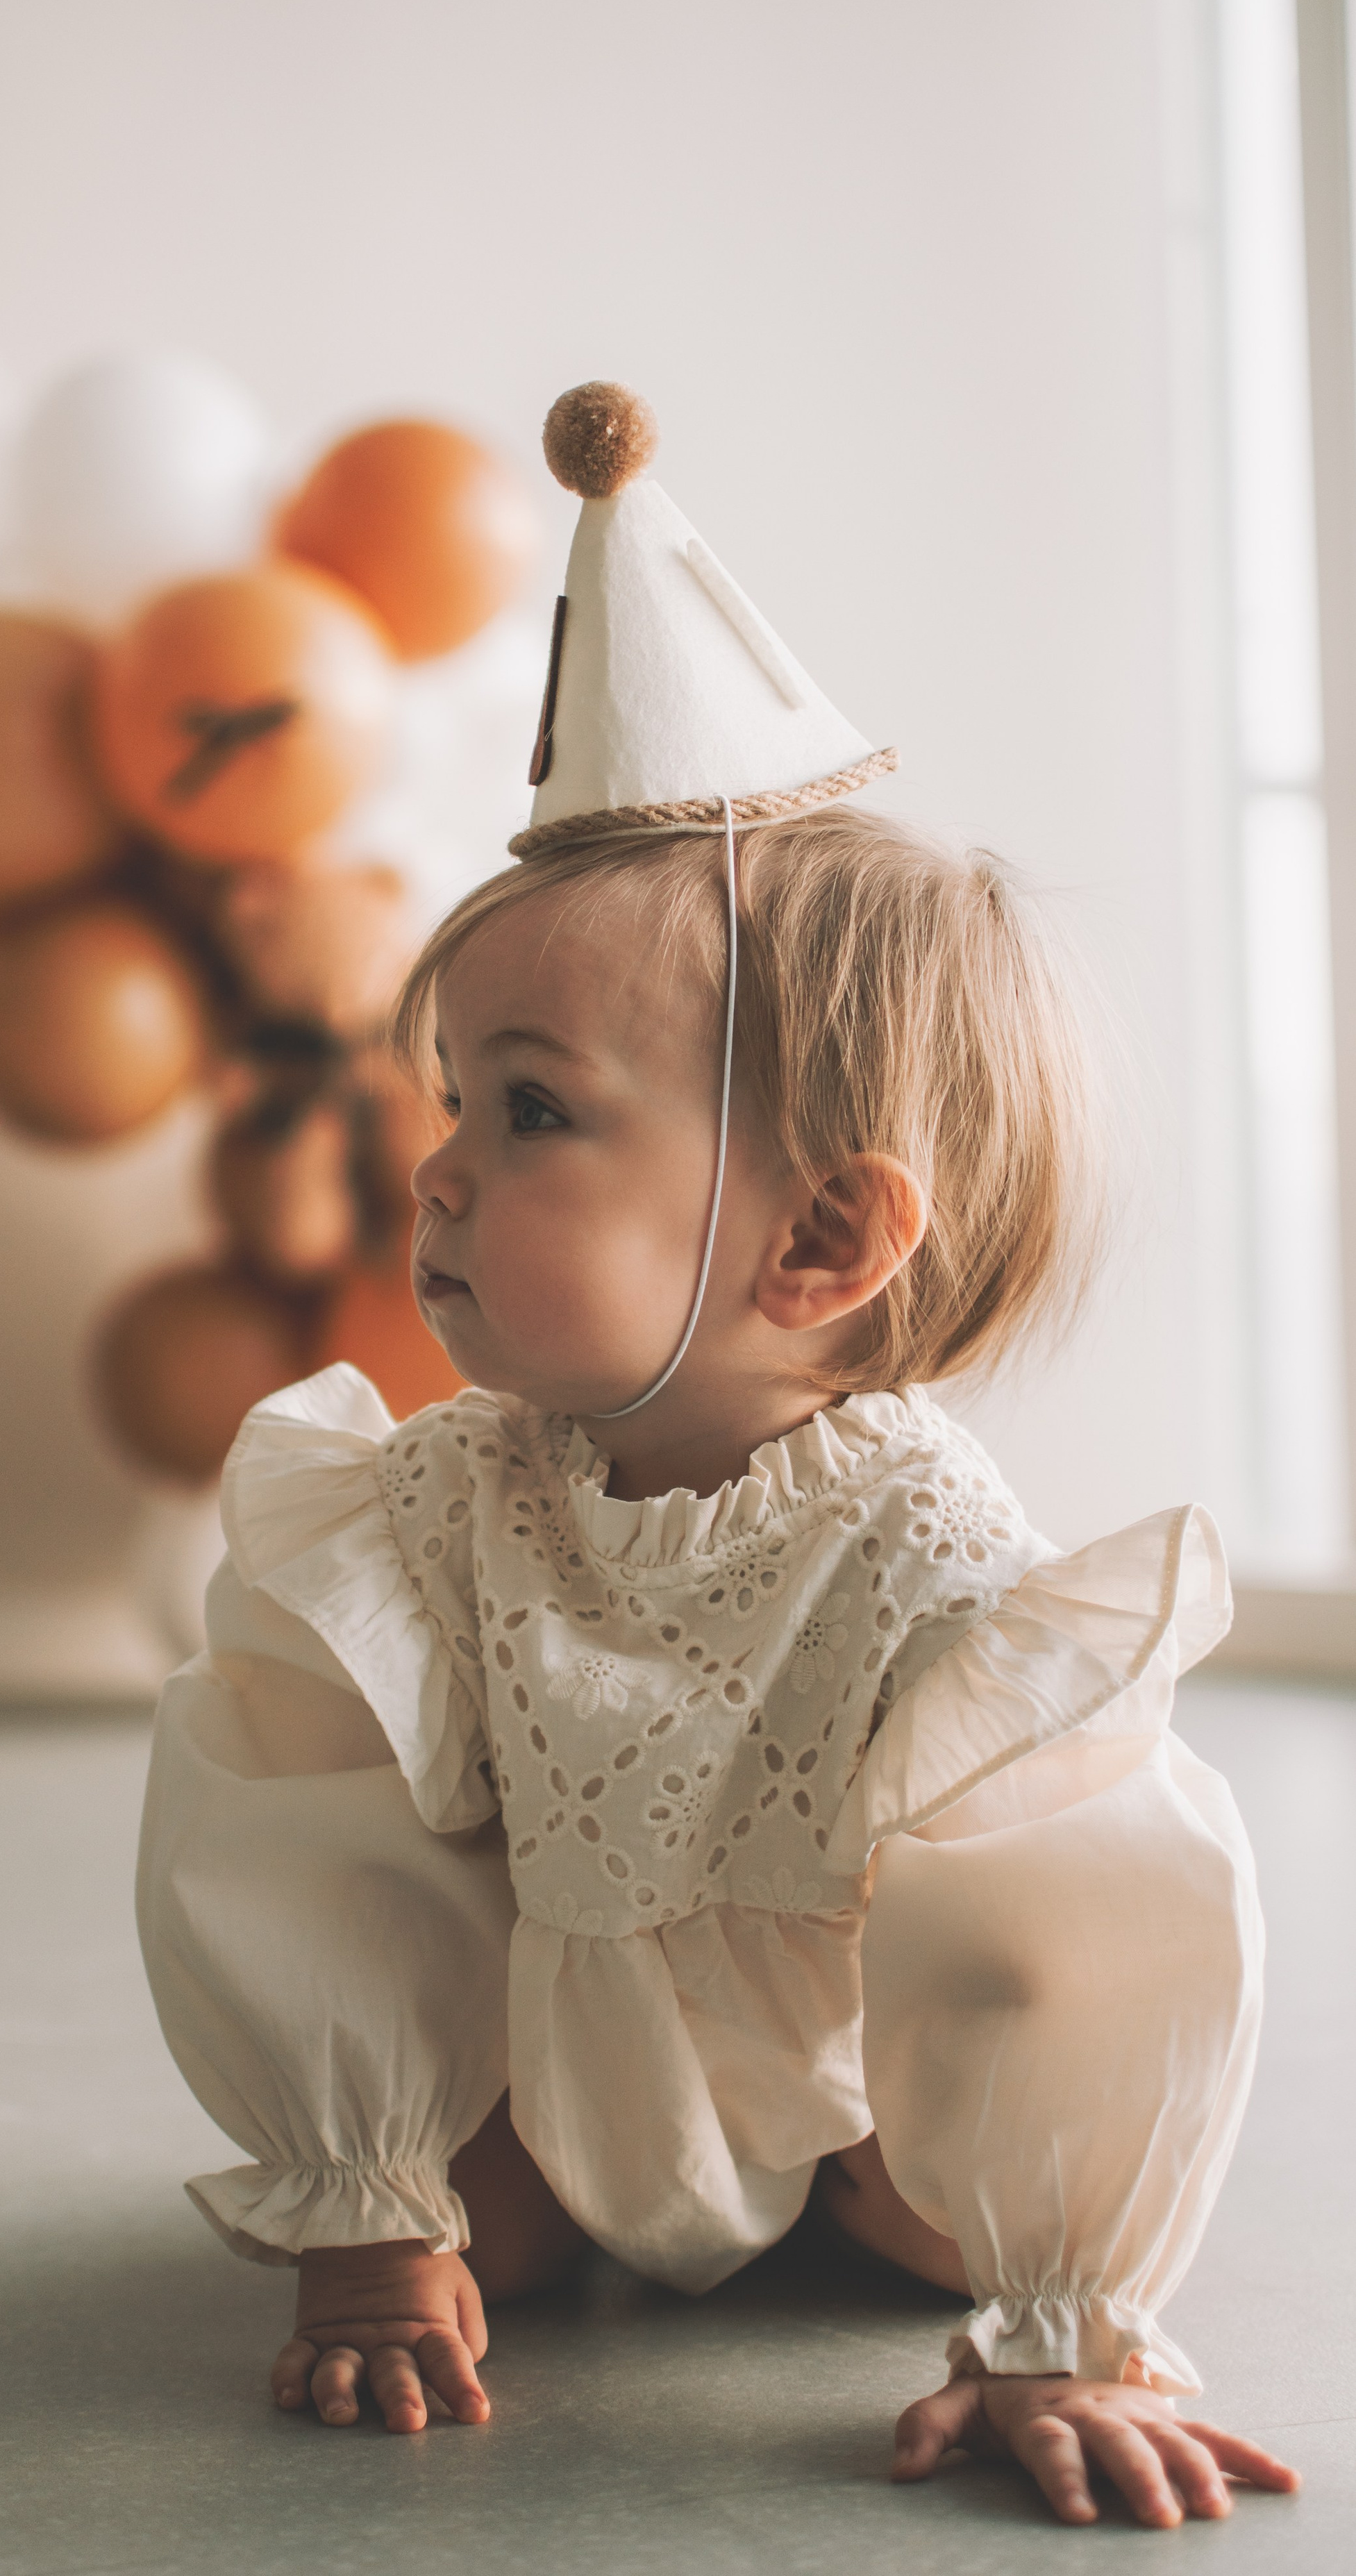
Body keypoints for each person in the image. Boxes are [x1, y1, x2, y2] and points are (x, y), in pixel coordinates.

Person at [136, 385, 1300, 2528]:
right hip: (568, 2042)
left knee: (941, 2210)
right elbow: (318, 1820)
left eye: (534, 1111)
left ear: (823, 1239)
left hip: (845, 2065)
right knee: (473, 2222)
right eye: (456, 1103)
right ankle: (458, 2206)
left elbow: (1055, 1926)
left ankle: (971, 2268)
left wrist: (1059, 2313)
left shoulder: (926, 1553)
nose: (444, 1171)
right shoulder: (437, 1497)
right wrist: (371, 2187)